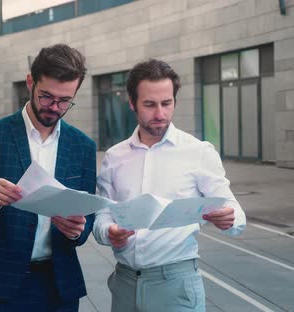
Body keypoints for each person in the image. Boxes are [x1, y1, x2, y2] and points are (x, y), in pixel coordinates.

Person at [93, 59, 246, 311]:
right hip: (125, 284)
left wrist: (230, 218)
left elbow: (233, 210)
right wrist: (108, 231)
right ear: (131, 103)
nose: (160, 114)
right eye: (149, 105)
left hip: (176, 285)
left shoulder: (198, 152)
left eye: (167, 103)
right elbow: (102, 214)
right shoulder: (114, 157)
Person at [0, 43, 96, 311]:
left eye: (65, 100)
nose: (54, 107)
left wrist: (78, 230)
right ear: (30, 82)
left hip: (60, 285)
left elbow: (86, 218)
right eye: (46, 96)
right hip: (2, 284)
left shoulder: (83, 147)